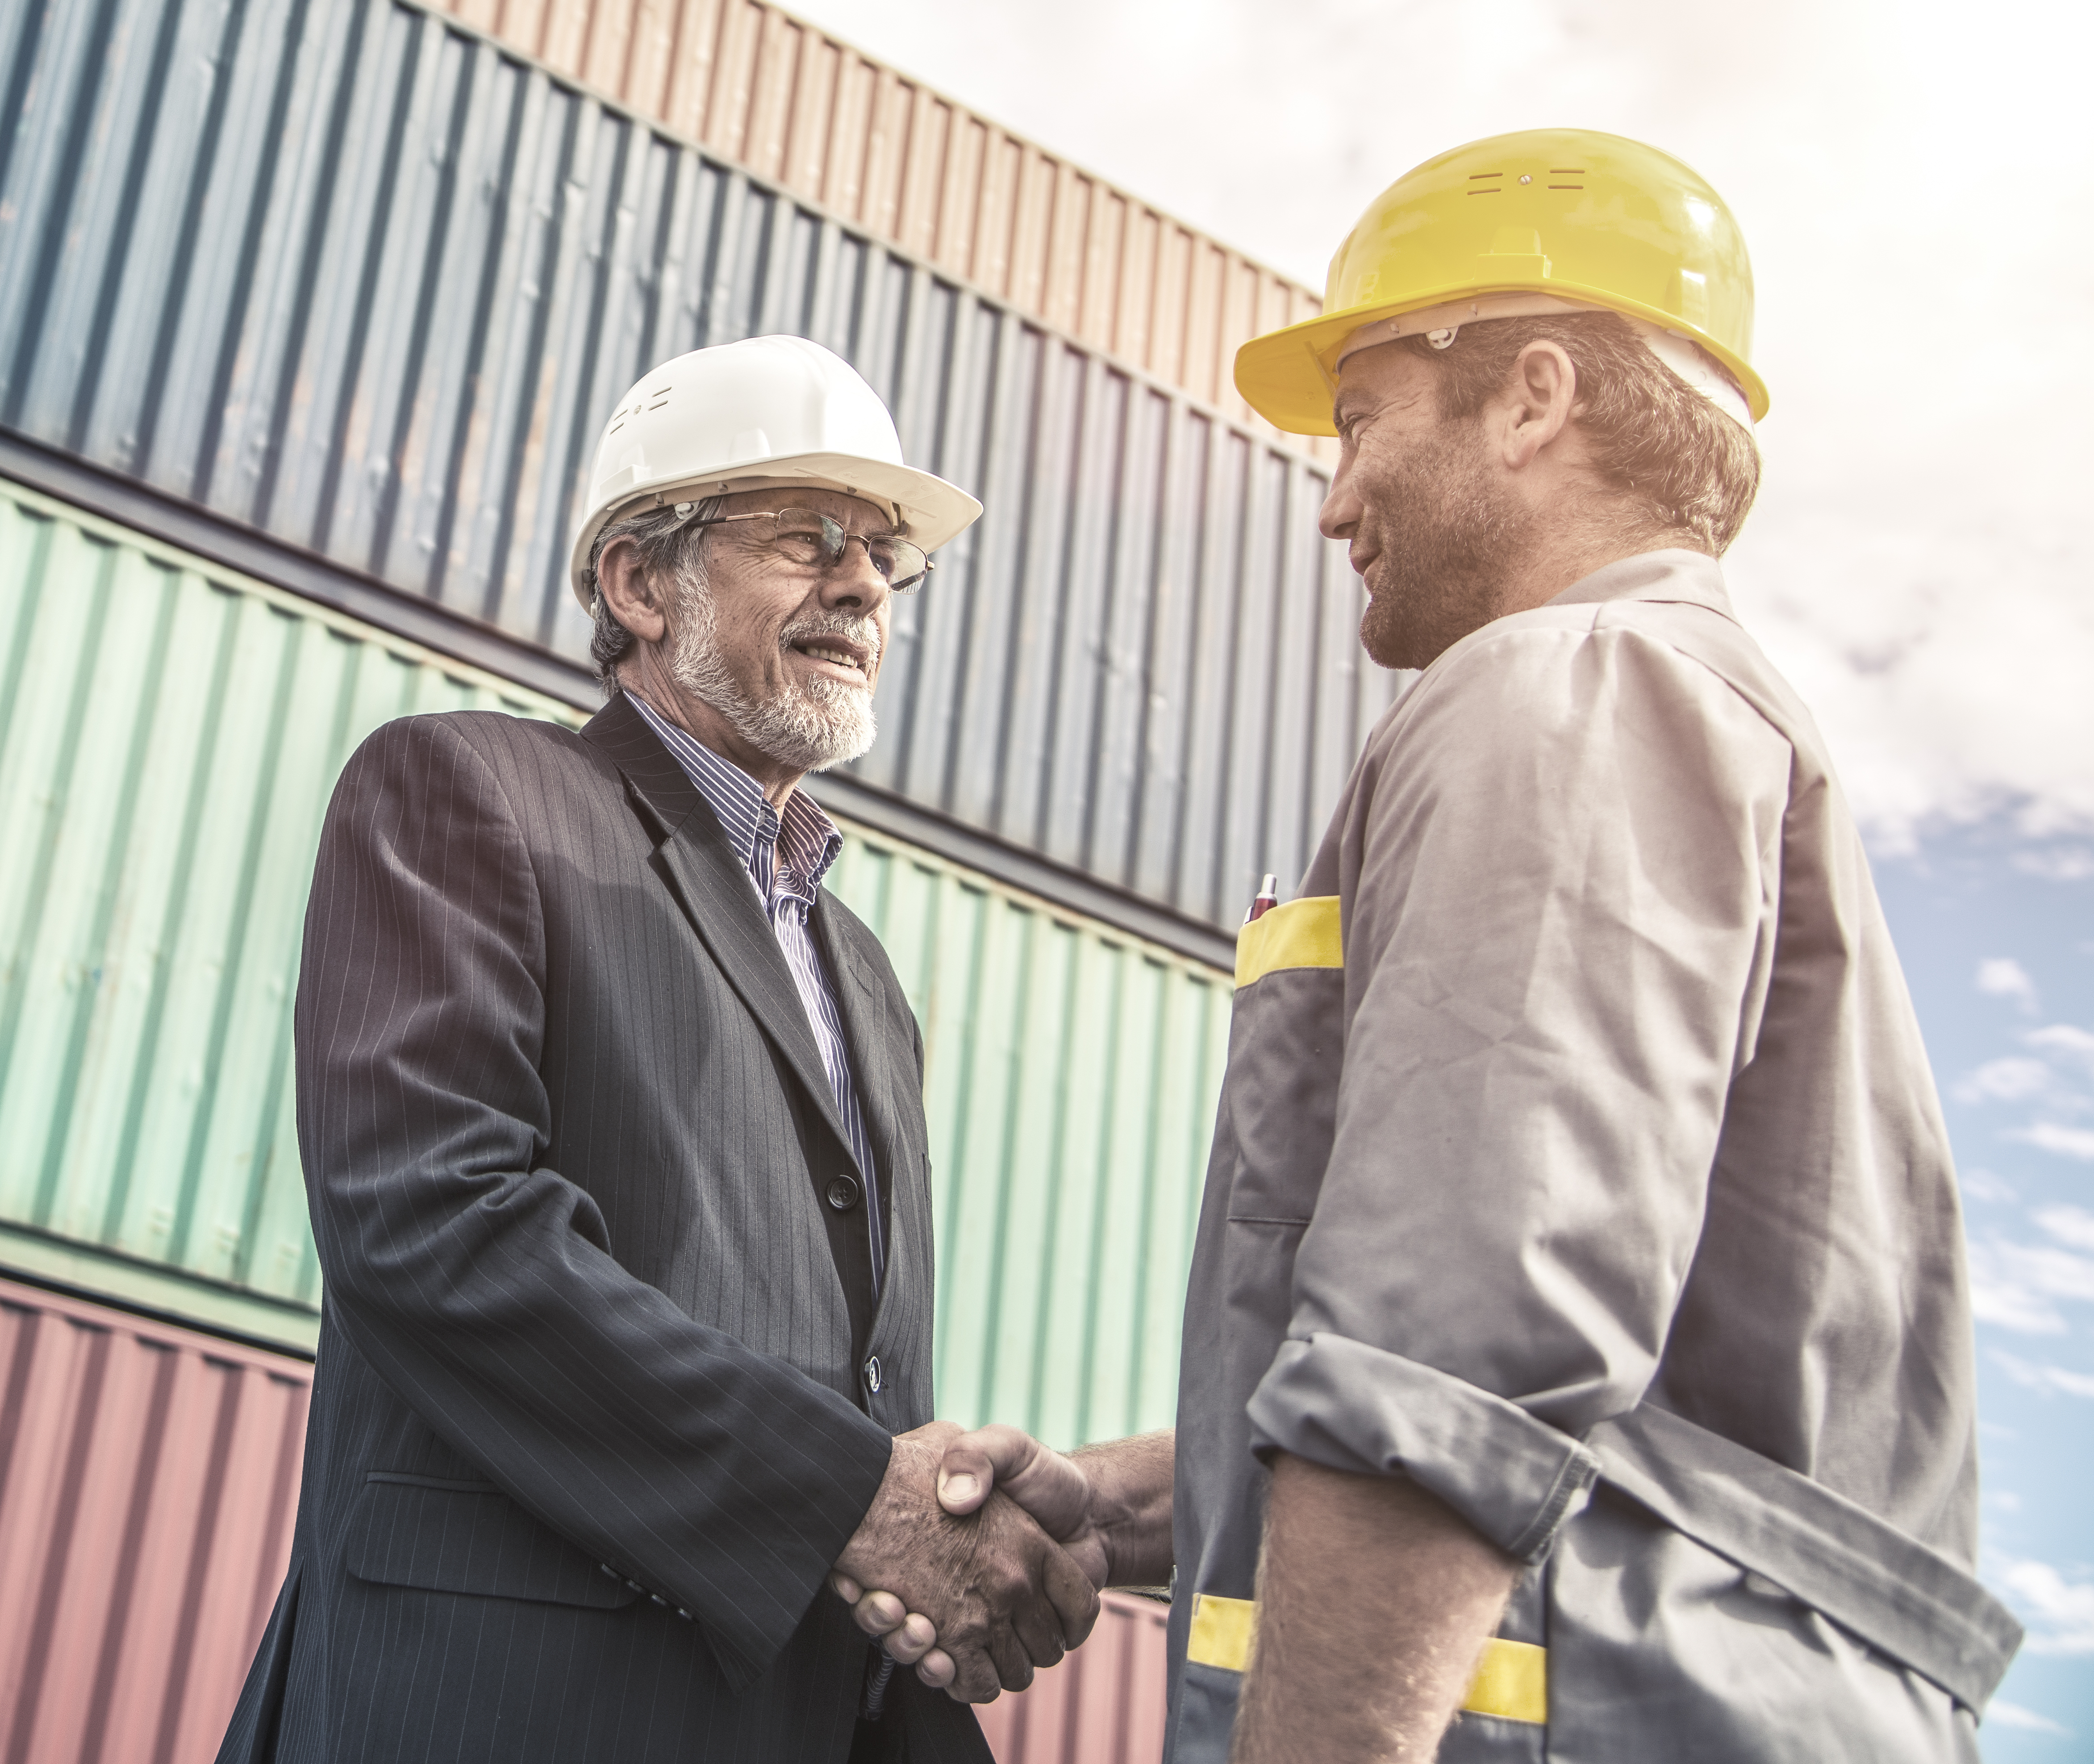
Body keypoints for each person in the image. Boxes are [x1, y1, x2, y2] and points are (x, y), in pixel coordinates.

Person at [849, 129, 2020, 1758]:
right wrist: (1123, 1503)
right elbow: (1608, 1421)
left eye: (1360, 421)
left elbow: (1448, 1365)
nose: (1333, 503)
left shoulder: (1572, 687)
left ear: (1534, 398)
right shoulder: (1691, 710)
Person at [216, 335, 1099, 1764]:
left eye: (887, 557)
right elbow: (434, 1225)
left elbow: (873, 1401)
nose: (868, 586)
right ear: (639, 582)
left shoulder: (863, 979)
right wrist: (852, 1501)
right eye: (812, 537)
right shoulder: (465, 793)